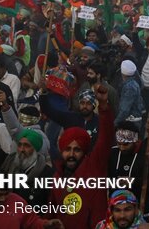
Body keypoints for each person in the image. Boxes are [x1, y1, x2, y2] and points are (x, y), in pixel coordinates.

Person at [47, 85, 114, 229]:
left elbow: (106, 137)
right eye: (67, 149)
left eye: (77, 150)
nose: (71, 154)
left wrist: (103, 106)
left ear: (84, 151)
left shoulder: (94, 166)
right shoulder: (57, 177)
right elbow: (51, 214)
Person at [0, 103, 53, 209]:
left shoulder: (47, 174)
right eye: (20, 145)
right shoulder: (9, 162)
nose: (22, 149)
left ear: (36, 149)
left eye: (27, 146)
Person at [108, 121, 149, 222]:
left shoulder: (145, 155)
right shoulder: (113, 154)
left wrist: (133, 181)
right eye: (119, 144)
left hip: (140, 215)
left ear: (135, 141)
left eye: (125, 144)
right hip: (116, 216)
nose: (122, 148)